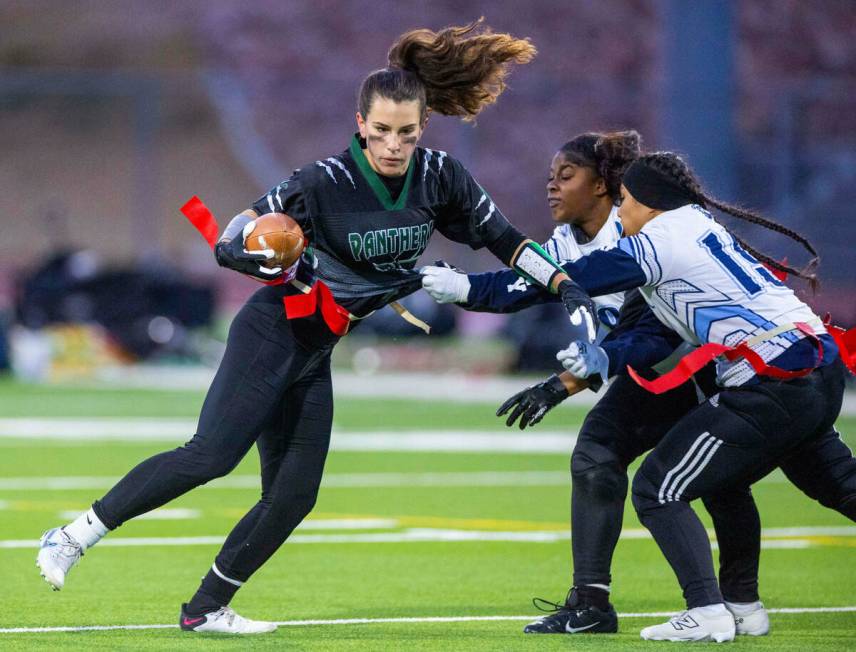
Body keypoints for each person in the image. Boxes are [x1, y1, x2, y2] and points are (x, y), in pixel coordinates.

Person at [35, 20, 595, 635]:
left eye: (405, 133)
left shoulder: (440, 177)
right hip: (274, 330)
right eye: (380, 131)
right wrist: (253, 252)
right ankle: (71, 536)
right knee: (211, 456)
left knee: (295, 495)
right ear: (360, 124)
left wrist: (563, 281)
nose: (391, 145)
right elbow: (230, 239)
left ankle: (204, 609)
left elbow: (508, 242)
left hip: (316, 347)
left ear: (423, 128)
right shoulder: (322, 180)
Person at [421, 132, 774, 637]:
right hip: (647, 367)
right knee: (598, 456)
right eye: (550, 177)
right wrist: (468, 289)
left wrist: (567, 373)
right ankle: (594, 602)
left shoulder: (637, 227)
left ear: (605, 186)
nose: (552, 187)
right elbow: (539, 279)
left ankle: (736, 601)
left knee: (734, 482)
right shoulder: (567, 238)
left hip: (700, 362)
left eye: (566, 176)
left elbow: (633, 321)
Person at [532, 151, 850, 642]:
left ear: (631, 197)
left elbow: (623, 312)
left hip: (760, 375)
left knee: (657, 487)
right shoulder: (687, 223)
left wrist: (472, 283)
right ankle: (740, 605)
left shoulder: (657, 237)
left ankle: (706, 609)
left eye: (625, 200)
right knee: (814, 482)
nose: (620, 212)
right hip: (802, 363)